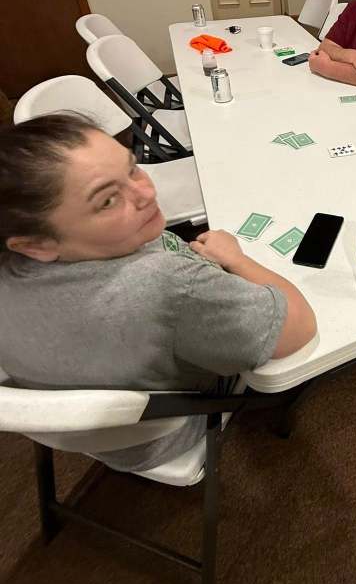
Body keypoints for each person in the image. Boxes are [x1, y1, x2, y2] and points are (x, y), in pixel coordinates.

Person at [0, 114, 317, 471]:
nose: (147, 193)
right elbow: (298, 328)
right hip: (163, 429)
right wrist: (235, 258)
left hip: (76, 425)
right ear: (36, 244)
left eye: (133, 168)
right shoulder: (167, 284)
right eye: (107, 201)